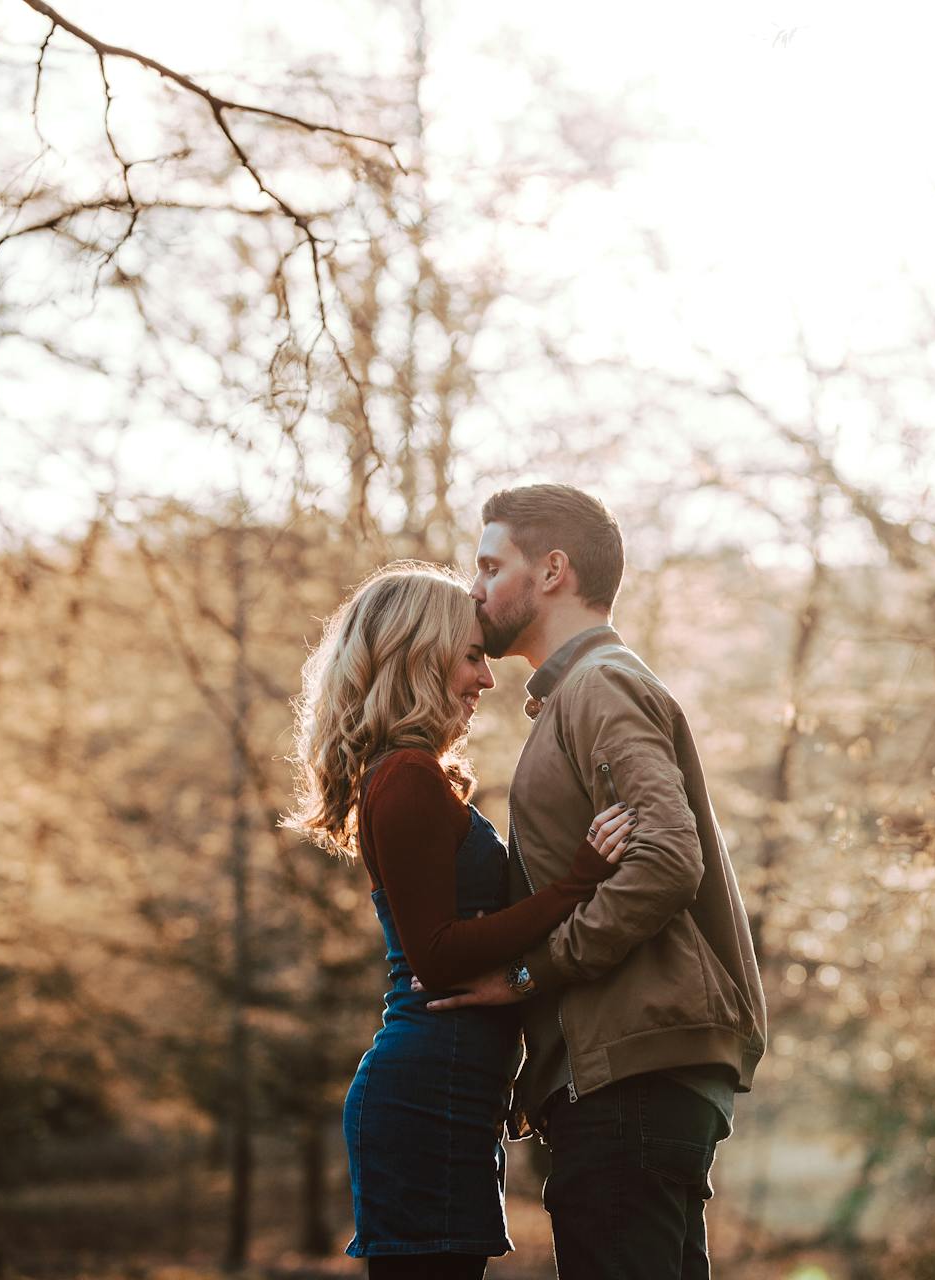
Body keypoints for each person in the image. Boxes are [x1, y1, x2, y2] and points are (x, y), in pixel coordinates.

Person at [424, 484, 767, 1280]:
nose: (474, 589)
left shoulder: (600, 686)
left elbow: (666, 857)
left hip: (629, 1081)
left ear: (552, 570)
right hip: (625, 1079)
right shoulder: (571, 699)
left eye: (489, 564)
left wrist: (530, 974)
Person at [285, 562, 639, 1280]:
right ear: (420, 656)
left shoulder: (412, 774)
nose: (486, 678)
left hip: (452, 1090)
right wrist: (578, 882)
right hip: (426, 1095)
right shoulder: (406, 778)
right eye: (473, 656)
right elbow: (438, 956)